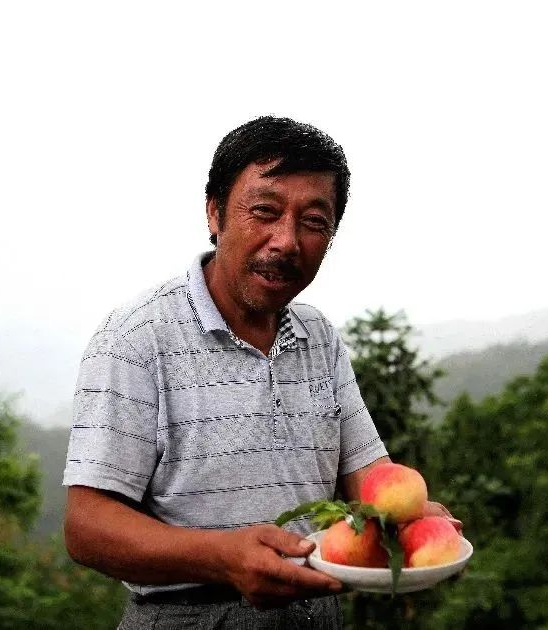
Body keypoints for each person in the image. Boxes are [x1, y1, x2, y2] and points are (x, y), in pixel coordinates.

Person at [62, 116, 455, 629]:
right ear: (215, 213)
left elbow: (368, 476)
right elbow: (87, 527)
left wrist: (412, 522)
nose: (286, 241)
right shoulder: (137, 337)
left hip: (317, 614)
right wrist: (221, 556)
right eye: (264, 211)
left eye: (314, 222)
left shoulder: (319, 337)